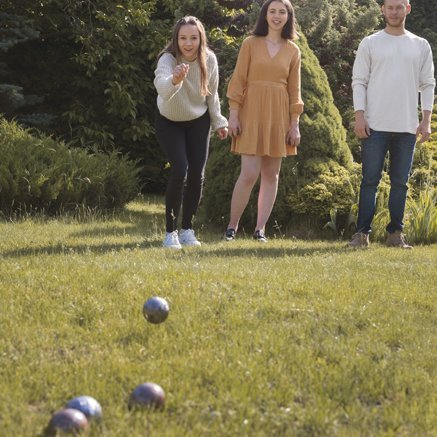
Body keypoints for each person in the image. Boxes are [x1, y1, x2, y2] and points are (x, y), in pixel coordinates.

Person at [349, 0, 435, 249]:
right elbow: (359, 81)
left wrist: (426, 120)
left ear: (407, 9)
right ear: (382, 10)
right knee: (369, 181)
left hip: (407, 127)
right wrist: (359, 116)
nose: (394, 12)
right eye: (390, 7)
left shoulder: (420, 45)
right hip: (374, 125)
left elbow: (428, 84)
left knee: (400, 183)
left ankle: (395, 235)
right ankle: (361, 235)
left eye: (399, 7)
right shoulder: (370, 43)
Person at [224, 0, 304, 242]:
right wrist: (233, 114)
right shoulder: (250, 43)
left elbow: (294, 90)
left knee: (272, 174)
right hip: (251, 112)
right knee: (249, 173)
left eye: (282, 12)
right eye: (272, 11)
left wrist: (294, 123)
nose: (277, 16)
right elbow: (238, 80)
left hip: (279, 115)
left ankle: (260, 229)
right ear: (265, 15)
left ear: (288, 16)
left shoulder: (293, 50)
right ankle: (231, 227)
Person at [154, 16, 228, 249]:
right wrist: (175, 79)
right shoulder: (167, 59)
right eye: (183, 38)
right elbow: (162, 88)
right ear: (176, 39)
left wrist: (219, 122)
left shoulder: (209, 59)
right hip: (169, 120)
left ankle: (187, 229)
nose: (188, 43)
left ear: (201, 39)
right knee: (180, 169)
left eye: (193, 38)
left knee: (197, 173)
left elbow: (212, 95)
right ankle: (170, 233)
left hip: (198, 119)